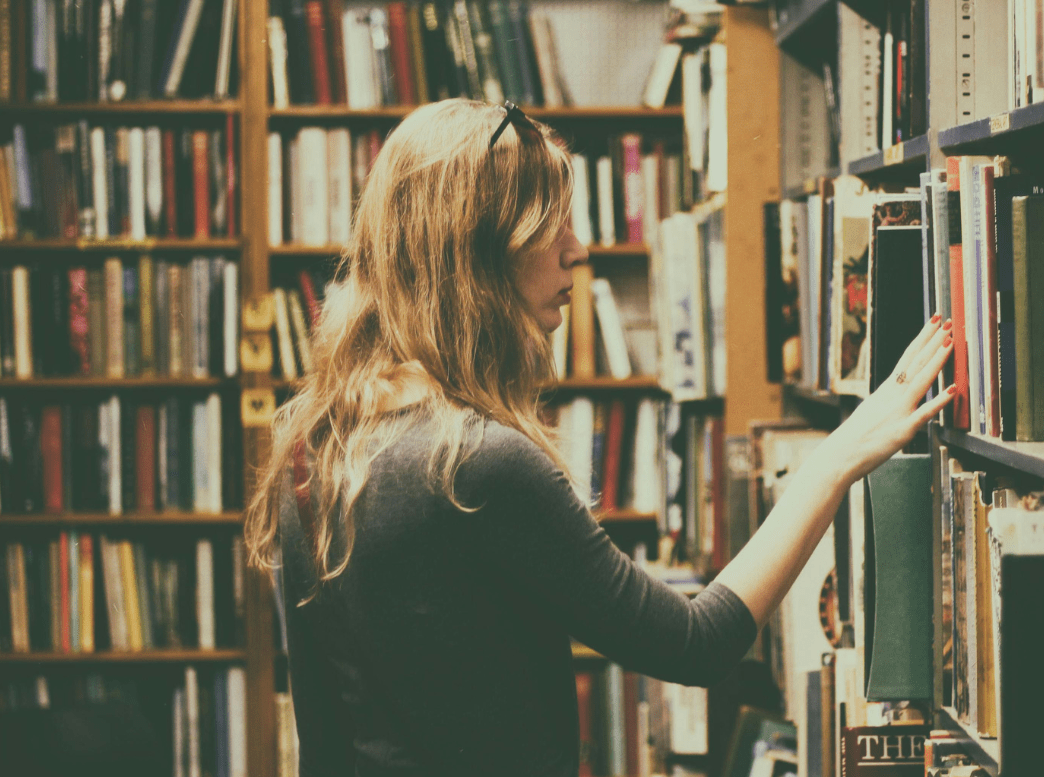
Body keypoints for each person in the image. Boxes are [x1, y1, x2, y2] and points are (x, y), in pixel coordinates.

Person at [244, 99, 956, 776]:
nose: (577, 251)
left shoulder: (316, 451)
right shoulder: (479, 465)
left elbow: (324, 741)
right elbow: (697, 644)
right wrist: (832, 463)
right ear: (479, 251)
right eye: (550, 225)